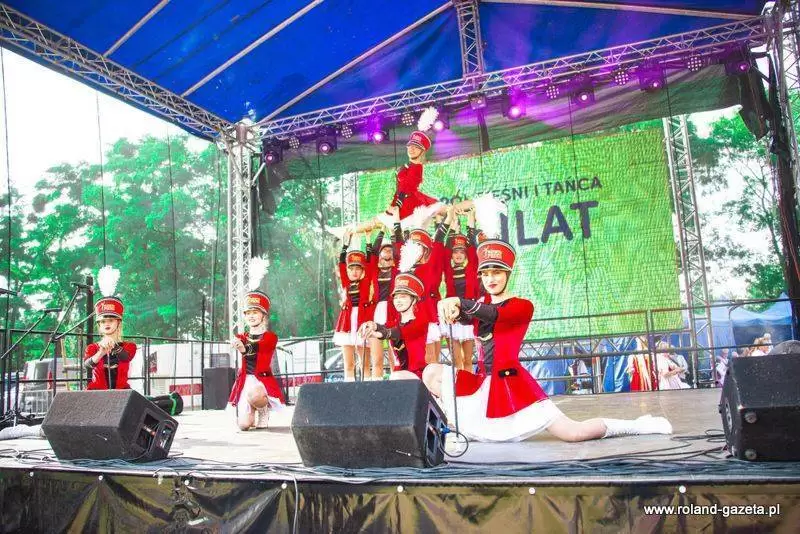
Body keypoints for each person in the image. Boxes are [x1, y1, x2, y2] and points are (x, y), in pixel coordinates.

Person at [423, 238, 672, 443]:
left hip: (511, 384)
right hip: (482, 385)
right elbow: (470, 314)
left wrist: (458, 301)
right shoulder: (481, 307)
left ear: (508, 274)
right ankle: (450, 422)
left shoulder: (521, 306)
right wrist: (452, 309)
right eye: (485, 273)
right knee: (431, 372)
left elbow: (494, 314)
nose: (491, 279)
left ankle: (638, 426)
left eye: (497, 272)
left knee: (574, 433)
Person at [228, 290, 286, 430]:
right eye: (248, 313)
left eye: (255, 312)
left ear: (263, 316)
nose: (251, 316)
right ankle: (252, 413)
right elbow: (240, 344)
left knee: (254, 395)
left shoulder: (271, 337)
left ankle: (263, 410)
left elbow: (258, 347)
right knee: (243, 425)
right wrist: (235, 343)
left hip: (261, 382)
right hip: (245, 381)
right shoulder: (241, 337)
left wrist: (243, 348)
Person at [359, 266, 429, 380]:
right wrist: (371, 324)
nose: (398, 301)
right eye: (396, 297)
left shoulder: (421, 322)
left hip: (418, 376)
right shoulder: (395, 323)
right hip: (400, 375)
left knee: (395, 377)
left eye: (403, 297)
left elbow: (399, 332)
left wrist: (378, 334)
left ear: (414, 300)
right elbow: (384, 327)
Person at [84, 266, 136, 390]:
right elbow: (87, 365)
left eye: (111, 320)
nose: (107, 324)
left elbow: (126, 357)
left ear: (118, 323)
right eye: (103, 322)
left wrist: (114, 346)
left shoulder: (129, 346)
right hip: (97, 394)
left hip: (122, 393)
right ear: (99, 325)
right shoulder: (92, 348)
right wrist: (101, 352)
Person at [333, 232, 374, 380]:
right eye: (351, 269)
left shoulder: (366, 282)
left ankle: (367, 388)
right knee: (348, 364)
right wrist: (345, 244)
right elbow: (341, 263)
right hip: (346, 323)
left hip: (363, 320)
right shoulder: (345, 282)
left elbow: (370, 264)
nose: (354, 272)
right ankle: (349, 388)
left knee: (365, 363)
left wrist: (368, 242)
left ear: (362, 270)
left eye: (358, 269)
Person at [442, 210, 478, 371]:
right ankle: (458, 385)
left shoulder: (472, 268)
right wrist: (452, 222)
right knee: (456, 361)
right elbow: (445, 250)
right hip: (452, 315)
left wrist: (470, 220)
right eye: (455, 252)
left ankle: (469, 384)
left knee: (467, 360)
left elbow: (472, 246)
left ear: (466, 254)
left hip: (468, 314)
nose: (458, 255)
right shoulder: (448, 270)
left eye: (461, 251)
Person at [365, 223, 399, 380]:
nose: (387, 252)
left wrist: (392, 233)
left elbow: (399, 251)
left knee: (395, 357)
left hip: (393, 312)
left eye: (390, 250)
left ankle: (397, 385)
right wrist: (382, 231)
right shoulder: (373, 270)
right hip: (376, 313)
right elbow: (372, 254)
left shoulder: (398, 270)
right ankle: (376, 387)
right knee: (377, 359)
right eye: (384, 250)